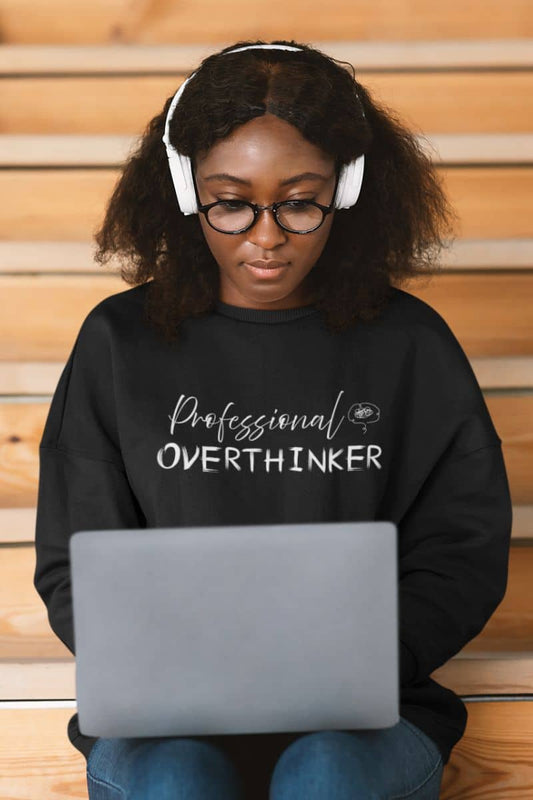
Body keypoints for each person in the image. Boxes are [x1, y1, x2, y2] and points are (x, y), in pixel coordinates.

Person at [34, 38, 513, 800]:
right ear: (185, 191)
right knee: (173, 778)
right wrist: (156, 669)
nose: (266, 236)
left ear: (346, 188)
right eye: (230, 202)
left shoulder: (409, 343)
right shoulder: (119, 342)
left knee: (326, 773)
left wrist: (366, 663)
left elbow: (461, 547)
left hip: (365, 714)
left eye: (298, 201)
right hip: (165, 716)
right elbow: (73, 558)